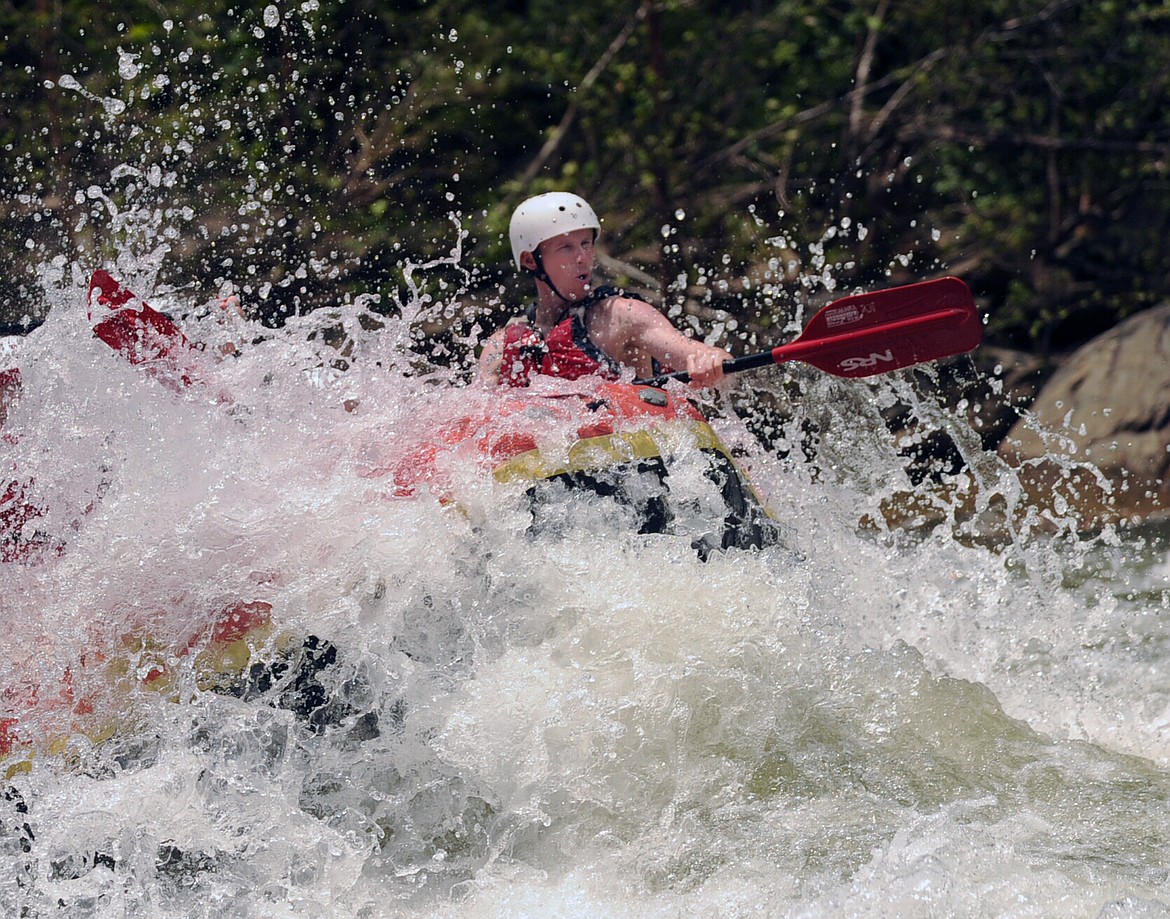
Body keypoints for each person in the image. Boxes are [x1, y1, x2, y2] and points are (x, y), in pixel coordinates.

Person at [478, 193, 732, 388]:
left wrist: (711, 359)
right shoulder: (500, 347)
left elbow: (694, 352)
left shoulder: (621, 315)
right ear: (531, 261)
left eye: (586, 243)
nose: (582, 257)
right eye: (566, 247)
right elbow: (475, 415)